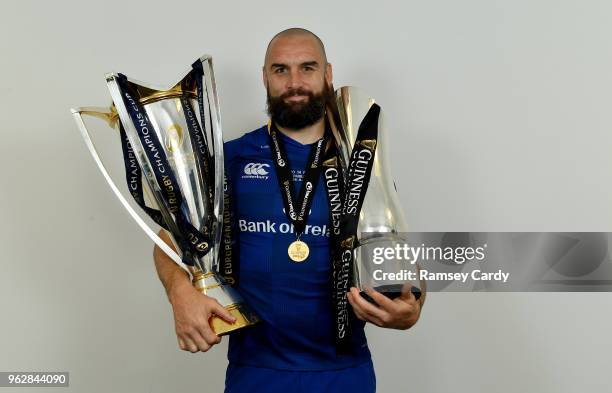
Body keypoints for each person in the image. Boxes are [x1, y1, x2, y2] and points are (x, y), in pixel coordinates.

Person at [153, 28, 424, 393]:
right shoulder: (229, 161)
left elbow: (399, 253)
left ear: (328, 74)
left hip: (344, 373)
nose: (294, 82)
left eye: (307, 68)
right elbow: (169, 240)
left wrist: (413, 307)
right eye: (280, 70)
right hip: (257, 372)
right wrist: (180, 293)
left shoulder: (360, 161)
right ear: (265, 78)